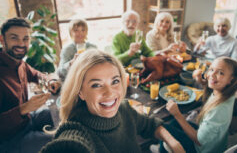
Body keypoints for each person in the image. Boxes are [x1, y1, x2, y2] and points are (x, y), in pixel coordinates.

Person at [40, 49, 185, 153]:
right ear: (81, 92)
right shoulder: (76, 131)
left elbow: (150, 125)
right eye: (96, 85)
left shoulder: (124, 109)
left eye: (115, 81)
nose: (110, 93)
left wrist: (174, 142)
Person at [153, 57, 237, 153]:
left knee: (163, 129)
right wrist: (202, 81)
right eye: (212, 69)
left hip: (200, 149)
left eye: (220, 73)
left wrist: (177, 114)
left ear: (231, 79)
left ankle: (162, 149)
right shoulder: (227, 93)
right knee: (173, 123)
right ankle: (162, 146)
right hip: (215, 143)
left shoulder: (219, 110)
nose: (212, 74)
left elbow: (198, 140)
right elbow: (211, 89)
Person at [0, 17, 61, 153]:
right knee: (63, 140)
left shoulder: (20, 63)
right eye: (14, 38)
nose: (21, 44)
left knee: (62, 112)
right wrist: (23, 109)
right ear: (2, 40)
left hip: (28, 120)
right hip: (10, 140)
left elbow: (36, 74)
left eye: (25, 38)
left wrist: (49, 81)